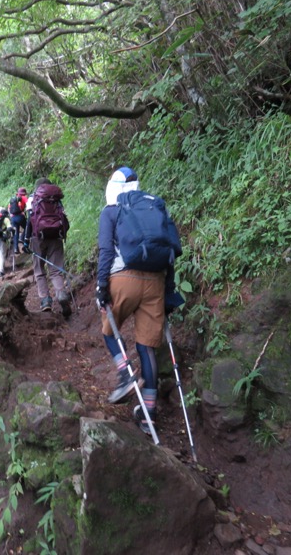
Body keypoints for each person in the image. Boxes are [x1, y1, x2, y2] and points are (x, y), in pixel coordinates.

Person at [95, 167, 184, 435]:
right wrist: (167, 293)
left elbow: (106, 251)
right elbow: (170, 254)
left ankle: (125, 373)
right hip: (156, 281)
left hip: (123, 279)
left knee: (109, 331)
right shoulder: (155, 208)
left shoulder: (111, 211)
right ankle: (149, 415)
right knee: (147, 347)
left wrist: (101, 286)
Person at [22, 178, 71, 316]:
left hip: (38, 238)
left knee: (39, 271)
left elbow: (29, 222)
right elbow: (64, 219)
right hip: (56, 236)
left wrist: (26, 240)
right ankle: (61, 294)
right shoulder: (55, 199)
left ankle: (45, 301)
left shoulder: (33, 199)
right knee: (56, 271)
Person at [9, 187, 28, 254]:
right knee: (27, 227)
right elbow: (29, 205)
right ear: (24, 193)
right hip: (20, 216)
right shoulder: (24, 197)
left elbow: (9, 209)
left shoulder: (13, 199)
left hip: (13, 218)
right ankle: (22, 238)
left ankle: (16, 249)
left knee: (16, 232)